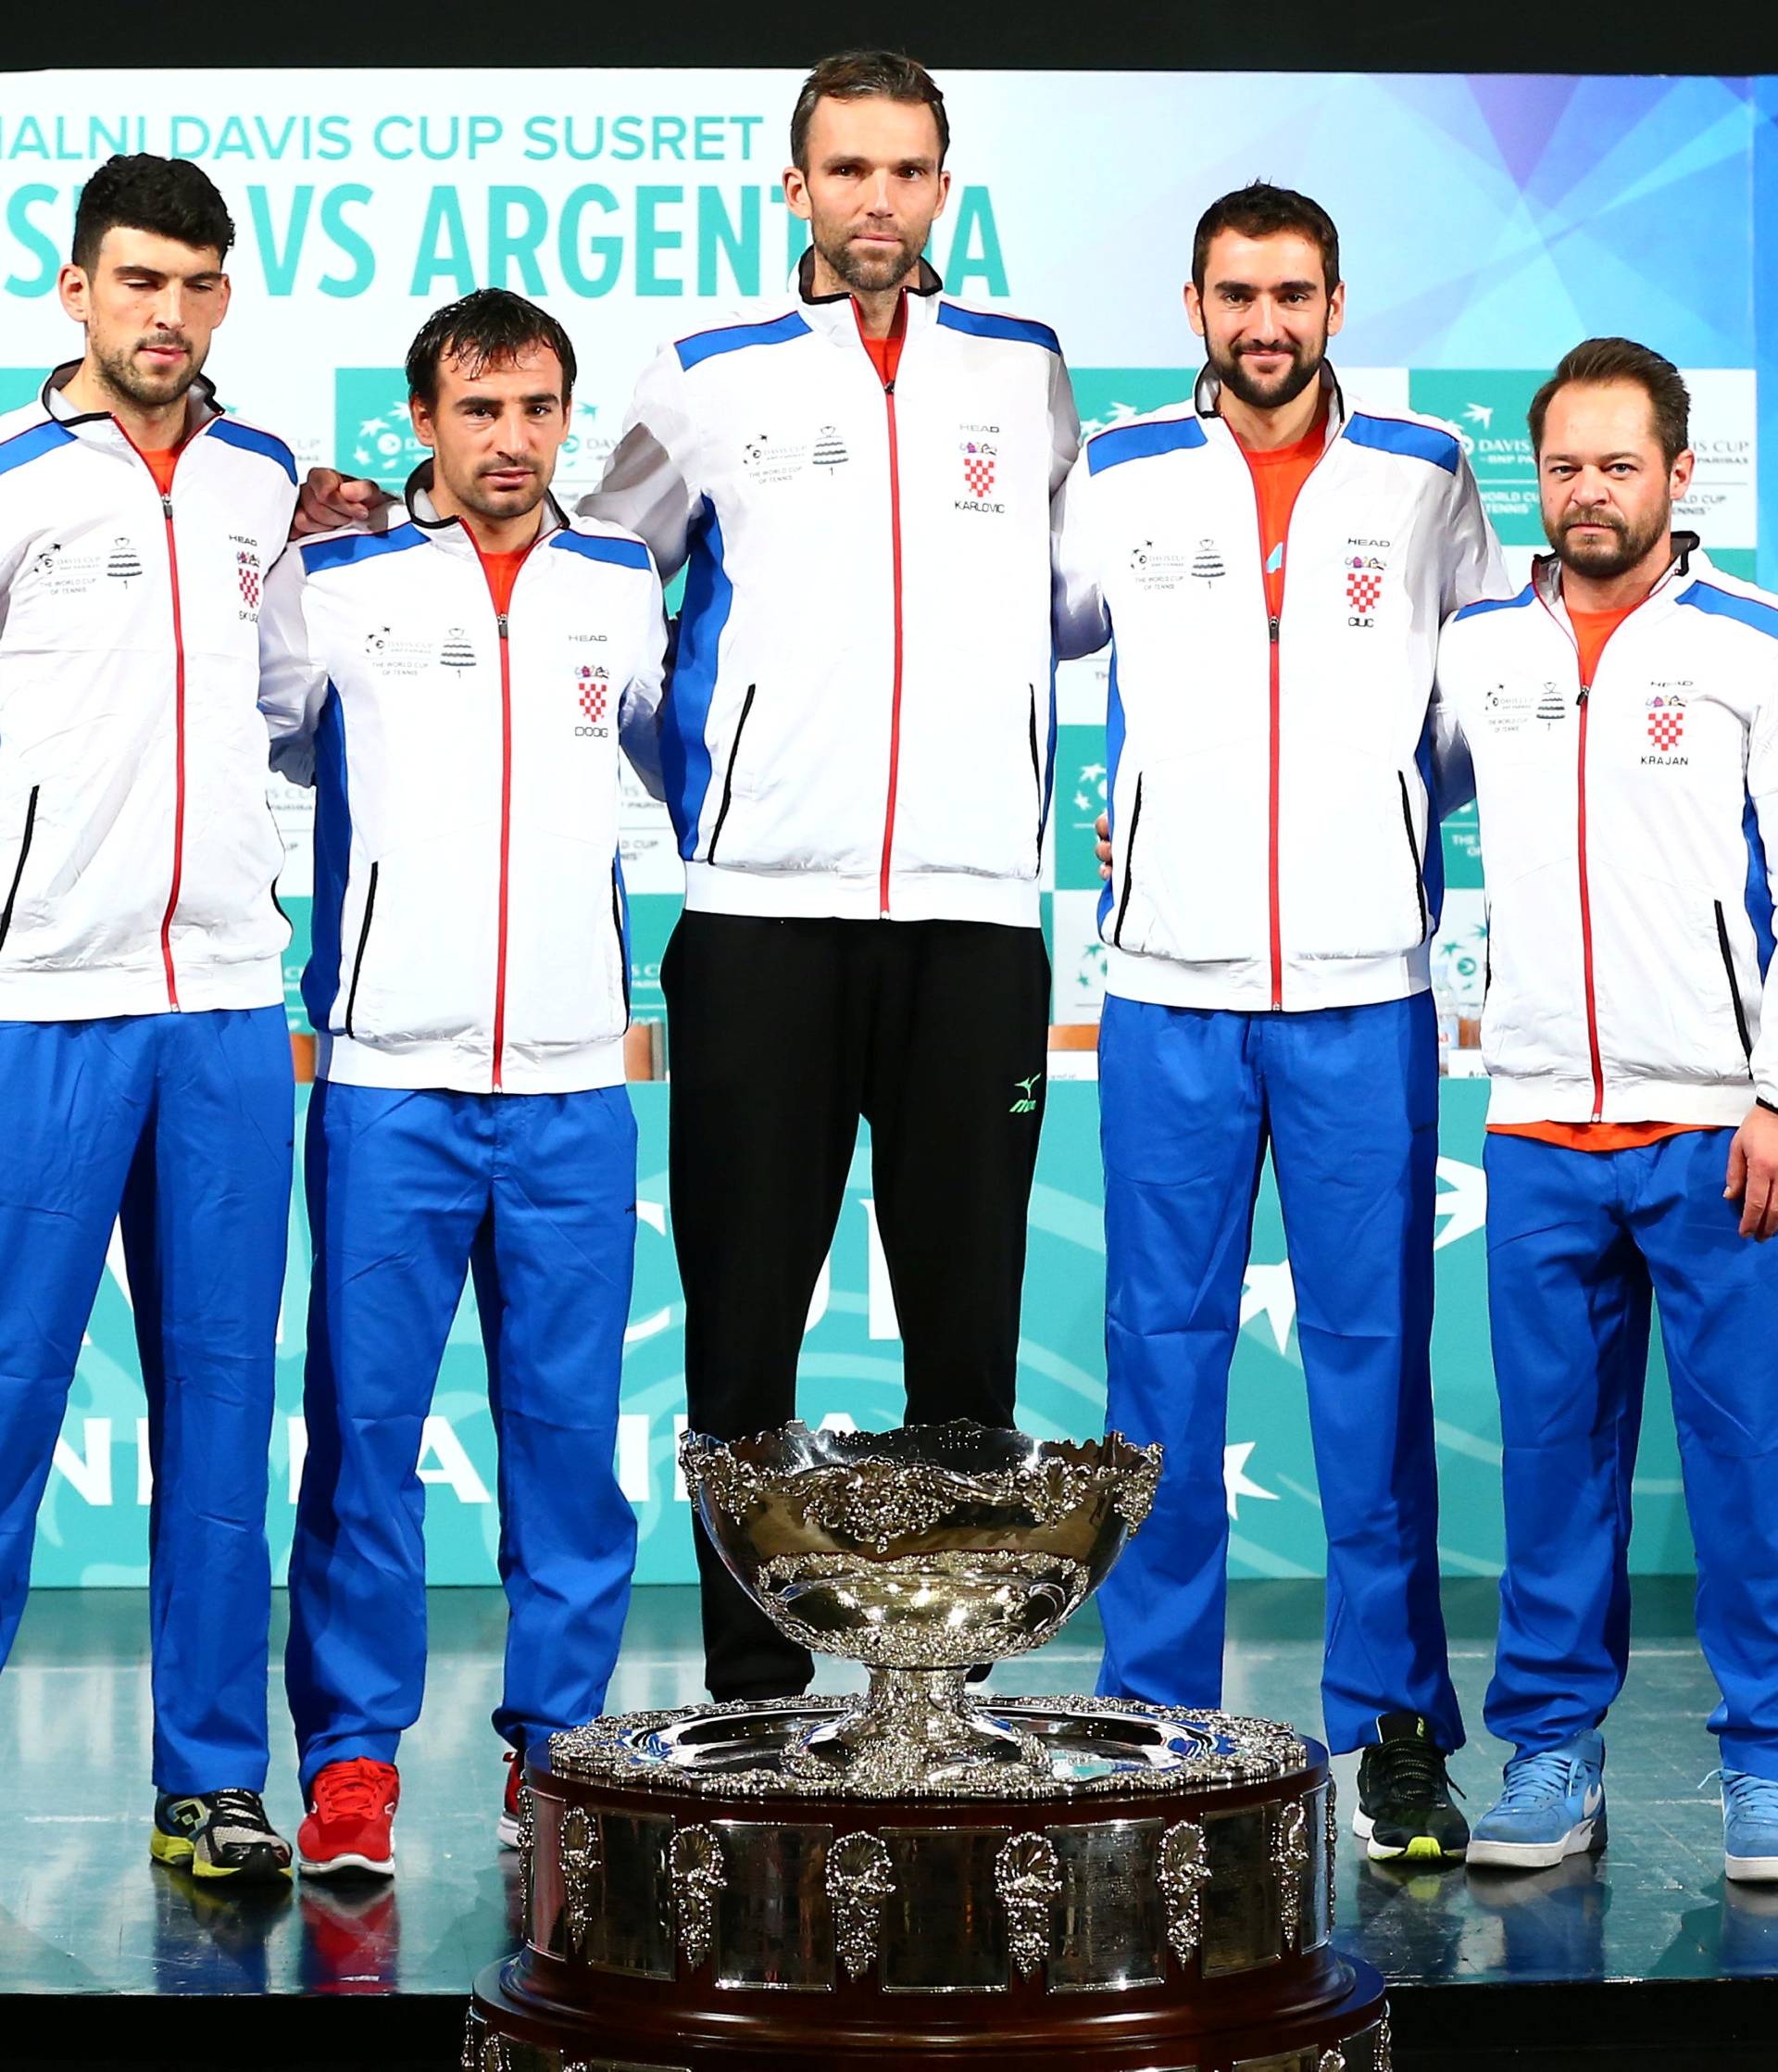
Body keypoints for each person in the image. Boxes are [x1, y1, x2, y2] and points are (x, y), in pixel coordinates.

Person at [1058, 182, 1506, 1862]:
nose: (1267, 322)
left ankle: (1392, 1727)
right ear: (1192, 305)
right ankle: (1155, 1718)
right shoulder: (1118, 475)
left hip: (1361, 987)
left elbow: (1470, 699)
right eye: (1238, 294)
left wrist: (1378, 820)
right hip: (1167, 989)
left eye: (1294, 293)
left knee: (1372, 1370)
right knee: (1154, 1369)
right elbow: (994, 634)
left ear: (1335, 302)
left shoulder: (1425, 471)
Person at [257, 290, 666, 1877]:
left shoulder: (621, 580)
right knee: (366, 1433)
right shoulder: (332, 580)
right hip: (387, 1081)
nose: (512, 439)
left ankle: (556, 1753)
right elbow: (256, 744)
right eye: (480, 408)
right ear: (422, 421)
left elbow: (685, 752)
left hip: (572, 1080)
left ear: (568, 418)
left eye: (540, 407)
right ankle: (353, 1765)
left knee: (568, 1440)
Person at [1430, 339, 1778, 1881]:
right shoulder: (1479, 648)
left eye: (1618, 464)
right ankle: (1552, 1754)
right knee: (1552, 1463)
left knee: (1750, 1458)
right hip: (1539, 1122)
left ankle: (1767, 1758)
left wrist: (1775, 1089)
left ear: (1680, 476)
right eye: (1563, 465)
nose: (1588, 492)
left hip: (1718, 1122)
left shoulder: (1753, 645)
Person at [0, 155, 298, 1883]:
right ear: (76, 290)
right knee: (9, 1392)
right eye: (138, 283)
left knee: (218, 1412)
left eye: (195, 286)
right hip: (45, 1000)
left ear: (222, 297)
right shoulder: (21, 478)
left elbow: (282, 710)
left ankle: (209, 1778)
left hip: (226, 1012)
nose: (166, 316)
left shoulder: (263, 481)